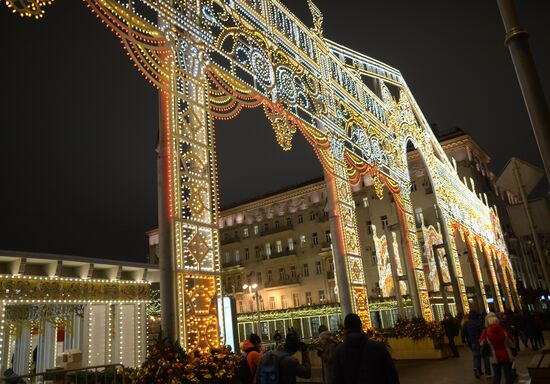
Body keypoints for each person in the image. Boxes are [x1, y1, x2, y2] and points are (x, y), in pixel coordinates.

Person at [332, 313, 399, 384]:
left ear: (345, 329)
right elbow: (391, 375)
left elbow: (337, 378)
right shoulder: (378, 348)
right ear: (361, 325)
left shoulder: (339, 351)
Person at [480, 314, 516, 384]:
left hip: (494, 356)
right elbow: (513, 345)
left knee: (496, 376)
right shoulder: (504, 331)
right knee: (508, 375)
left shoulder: (486, 332)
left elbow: (481, 343)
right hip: (506, 355)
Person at [462, 310, 491, 378]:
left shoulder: (466, 323)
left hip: (472, 342)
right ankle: (488, 371)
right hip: (481, 341)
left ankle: (477, 369)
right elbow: (483, 332)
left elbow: (463, 333)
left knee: (476, 356)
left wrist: (464, 341)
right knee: (485, 356)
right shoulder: (479, 322)